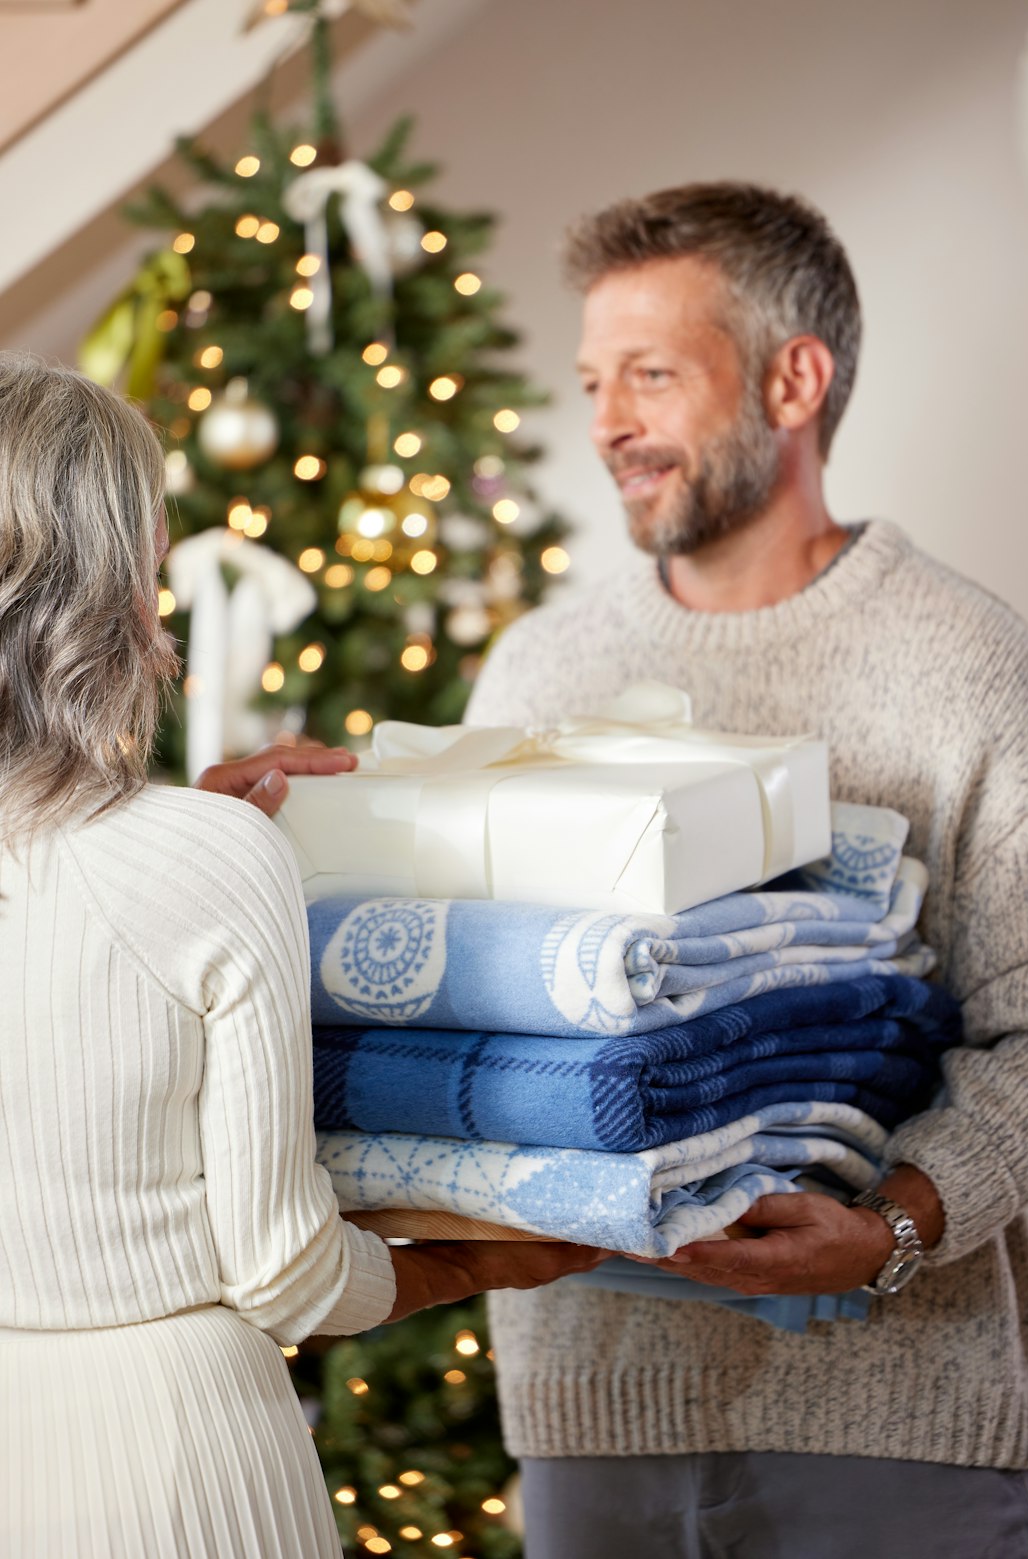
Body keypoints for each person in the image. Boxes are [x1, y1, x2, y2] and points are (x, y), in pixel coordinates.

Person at [461, 183, 1028, 1558]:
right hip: (591, 1419)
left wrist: (894, 1227)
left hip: (894, 1429)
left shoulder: (966, 663)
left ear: (794, 377)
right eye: (595, 377)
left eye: (652, 375)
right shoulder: (538, 673)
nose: (606, 421)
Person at [0, 353, 606, 1559]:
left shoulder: (200, 847)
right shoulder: (210, 857)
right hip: (178, 1463)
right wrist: (482, 1261)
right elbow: (285, 1275)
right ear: (113, 585)